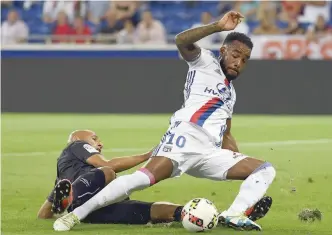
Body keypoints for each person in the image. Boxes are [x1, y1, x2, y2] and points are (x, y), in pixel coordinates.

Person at [53, 11, 276, 231]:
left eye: (244, 59)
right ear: (223, 50)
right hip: (184, 138)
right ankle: (74, 215)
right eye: (235, 54)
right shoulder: (205, 62)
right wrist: (217, 26)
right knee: (141, 180)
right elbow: (181, 40)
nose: (238, 62)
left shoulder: (231, 94)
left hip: (209, 152)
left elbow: (226, 133)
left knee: (264, 170)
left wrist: (237, 163)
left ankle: (234, 214)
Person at [38, 130, 183, 224]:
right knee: (108, 171)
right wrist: (148, 155)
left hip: (93, 212)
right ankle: (75, 201)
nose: (100, 143)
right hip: (81, 199)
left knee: (144, 210)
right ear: (77, 139)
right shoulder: (77, 145)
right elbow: (109, 165)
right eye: (94, 139)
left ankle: (184, 213)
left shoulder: (63, 182)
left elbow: (43, 214)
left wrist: (62, 215)